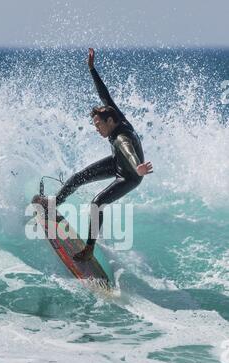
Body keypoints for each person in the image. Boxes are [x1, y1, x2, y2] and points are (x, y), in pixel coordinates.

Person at [37, 48, 153, 261]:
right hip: (118, 162)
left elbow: (128, 150)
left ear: (110, 122)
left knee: (96, 204)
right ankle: (53, 204)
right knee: (78, 177)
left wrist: (138, 167)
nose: (97, 128)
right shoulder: (115, 116)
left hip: (130, 175)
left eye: (99, 125)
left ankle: (89, 250)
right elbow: (104, 94)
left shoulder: (121, 138)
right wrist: (92, 69)